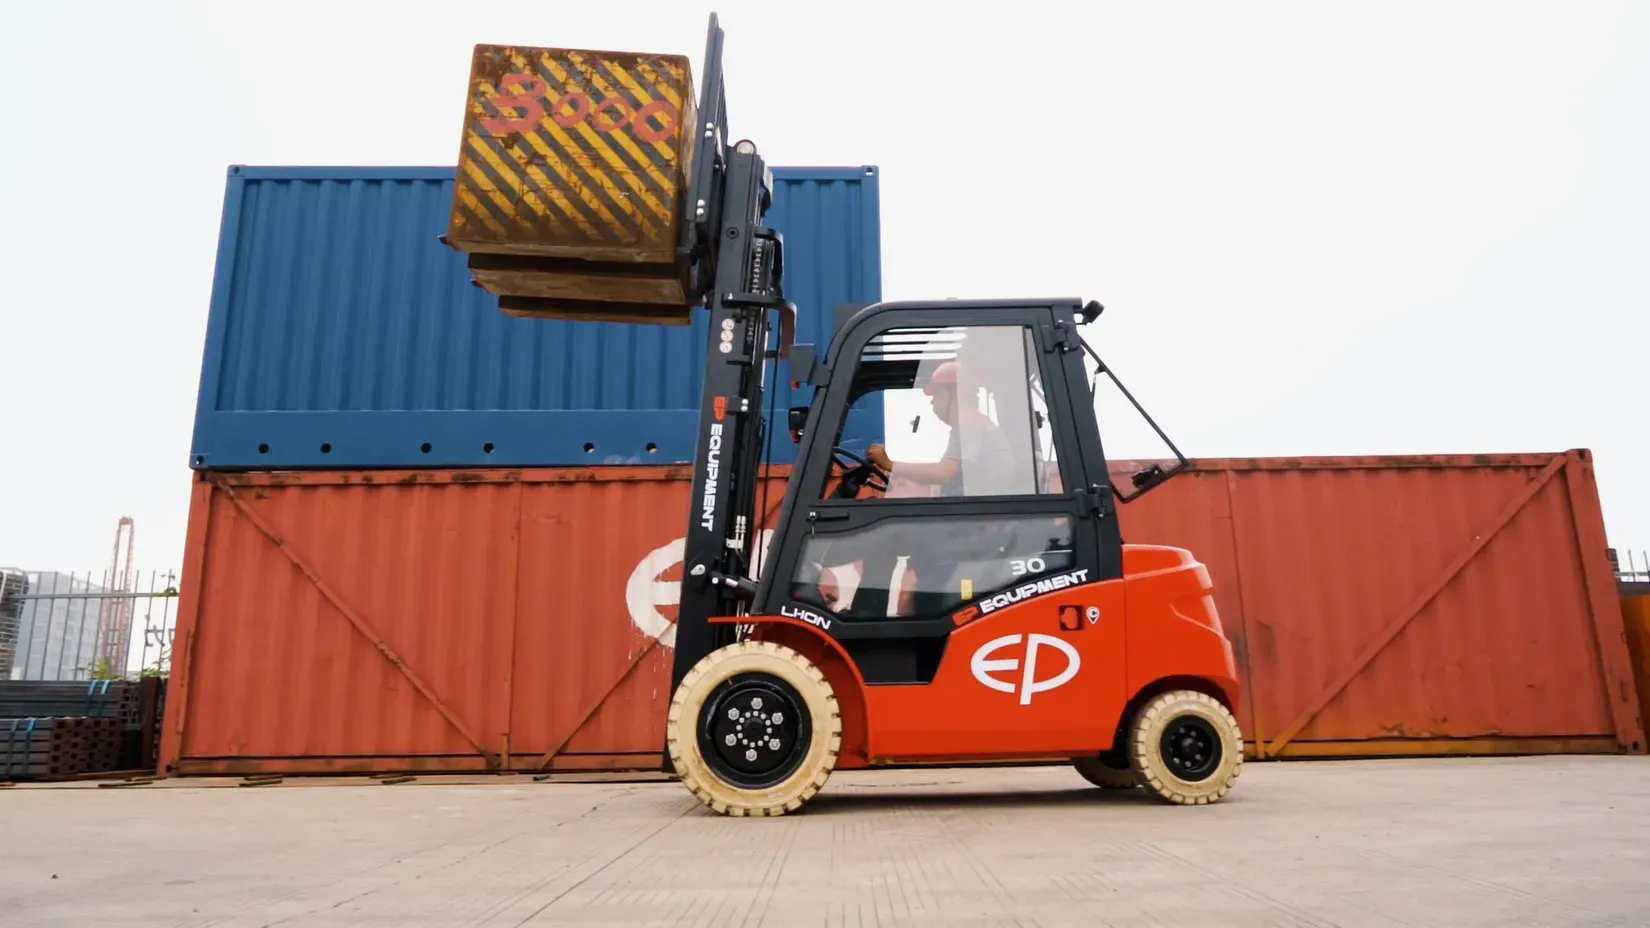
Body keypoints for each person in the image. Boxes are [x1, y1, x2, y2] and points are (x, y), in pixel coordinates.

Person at [864, 359, 1018, 497]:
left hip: (985, 512)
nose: (932, 402)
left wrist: (890, 465)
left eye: (936, 395)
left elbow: (944, 473)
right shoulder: (974, 424)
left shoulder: (970, 424)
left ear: (953, 394)